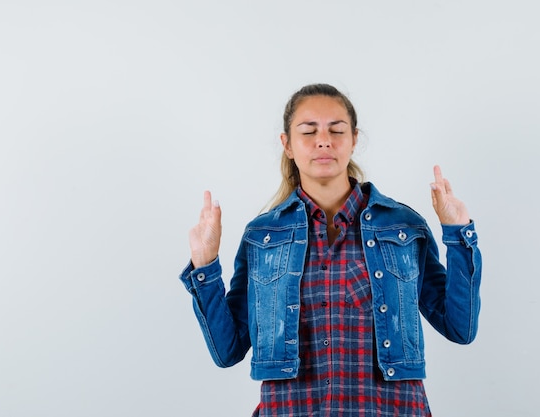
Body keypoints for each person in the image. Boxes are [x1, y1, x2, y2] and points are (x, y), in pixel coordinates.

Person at [179, 83, 482, 416]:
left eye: (336, 130)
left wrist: (457, 233)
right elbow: (228, 350)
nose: (323, 140)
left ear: (353, 139)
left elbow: (460, 327)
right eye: (309, 131)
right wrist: (204, 264)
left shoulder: (403, 227)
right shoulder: (262, 237)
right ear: (288, 145)